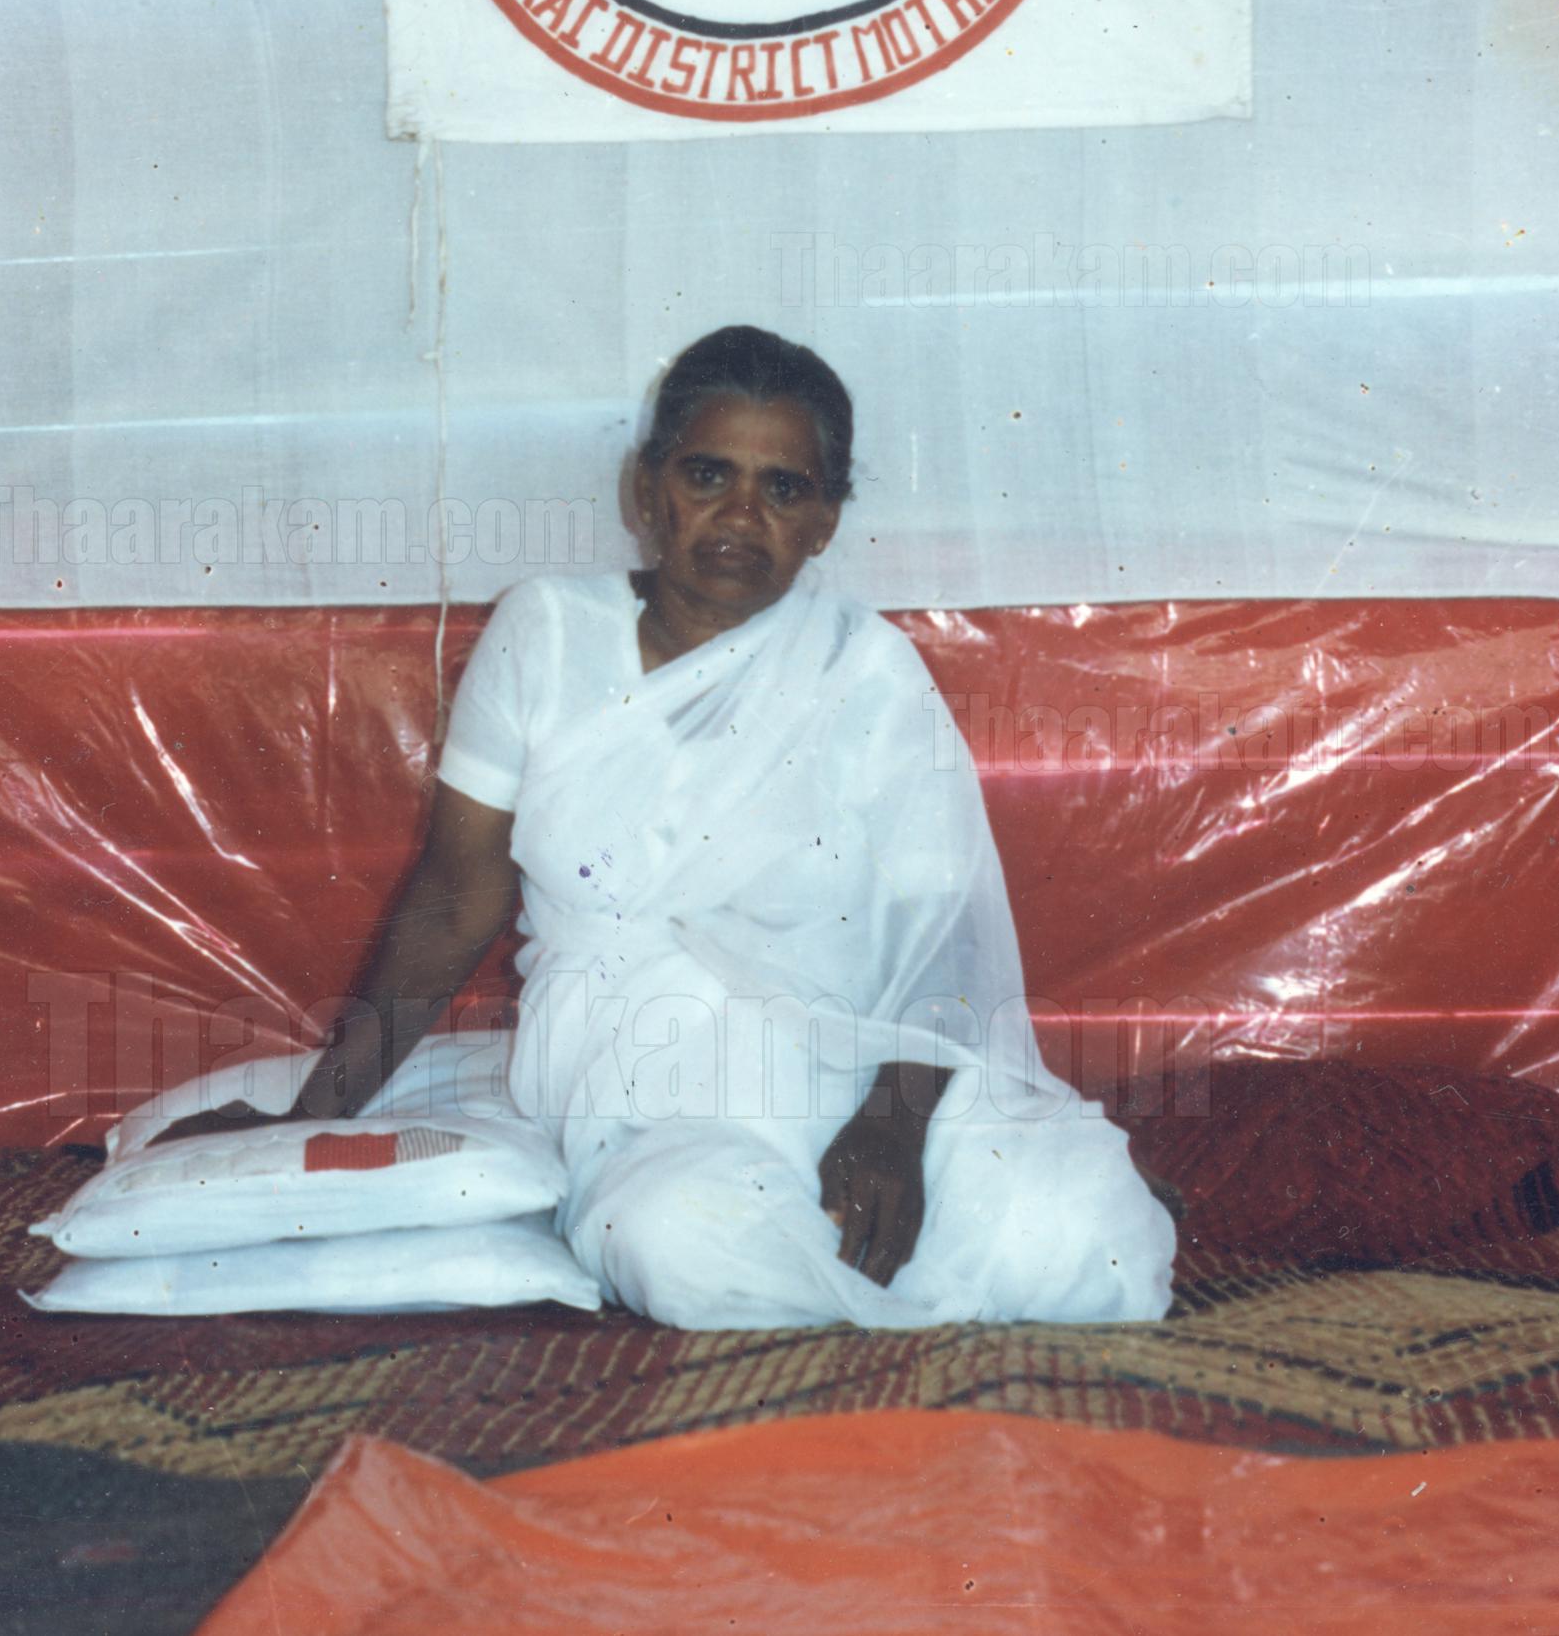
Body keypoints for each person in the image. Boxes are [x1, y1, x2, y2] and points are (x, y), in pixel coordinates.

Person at [157, 328, 1173, 1331]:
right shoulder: (546, 633)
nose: (740, 515)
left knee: (1097, 1243)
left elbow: (939, 938)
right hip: (633, 1082)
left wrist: (892, 1128)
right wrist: (313, 1115)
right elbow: (456, 897)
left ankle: (864, 1262)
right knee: (683, 1249)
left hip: (857, 1068)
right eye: (707, 474)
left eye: (783, 488)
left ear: (824, 521)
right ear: (647, 489)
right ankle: (835, 1281)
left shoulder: (864, 669)